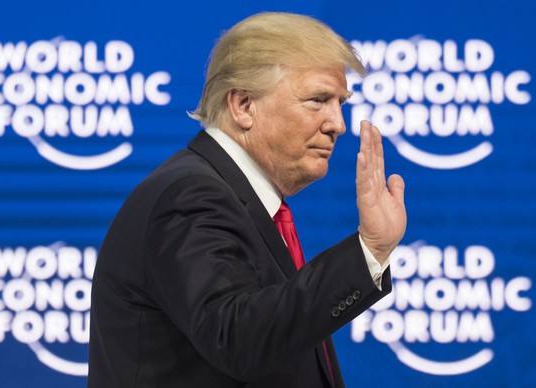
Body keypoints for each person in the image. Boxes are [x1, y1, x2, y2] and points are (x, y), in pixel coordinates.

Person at [88, 12, 406, 388]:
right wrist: (368, 250)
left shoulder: (234, 196)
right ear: (242, 105)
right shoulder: (190, 196)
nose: (337, 123)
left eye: (340, 102)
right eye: (318, 100)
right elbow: (236, 339)